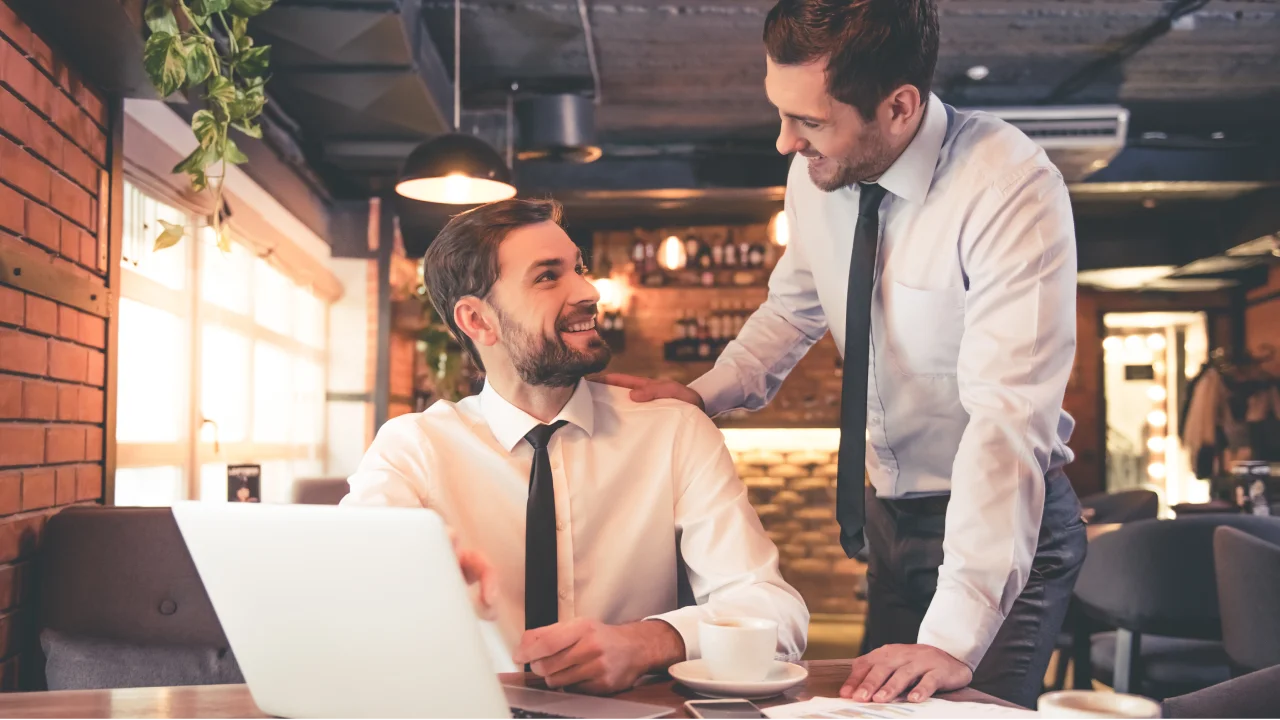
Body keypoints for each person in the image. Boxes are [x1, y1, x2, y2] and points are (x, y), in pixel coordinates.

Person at [600, 0, 1087, 708]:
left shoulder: (1008, 187)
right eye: (781, 113)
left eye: (810, 121)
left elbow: (1007, 421)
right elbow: (794, 304)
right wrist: (707, 394)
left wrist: (951, 638)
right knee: (870, 710)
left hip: (1004, 531)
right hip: (892, 521)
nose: (783, 143)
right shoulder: (817, 172)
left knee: (955, 712)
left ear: (898, 107)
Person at [341, 198, 808, 695]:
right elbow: (344, 589)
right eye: (548, 277)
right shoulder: (414, 447)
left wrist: (649, 641)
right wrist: (404, 571)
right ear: (477, 321)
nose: (588, 291)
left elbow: (775, 614)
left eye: (579, 269)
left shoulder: (672, 431)